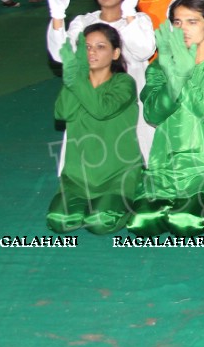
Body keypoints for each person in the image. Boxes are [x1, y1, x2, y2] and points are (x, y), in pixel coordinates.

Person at [128, 0, 204, 237]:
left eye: (192, 22)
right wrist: (173, 78)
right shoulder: (160, 66)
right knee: (141, 224)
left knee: (185, 224)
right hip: (163, 169)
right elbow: (152, 113)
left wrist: (183, 75)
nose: (183, 29)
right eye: (177, 23)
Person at [46, 0, 157, 161]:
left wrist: (129, 10)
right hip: (92, 95)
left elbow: (143, 51)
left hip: (131, 96)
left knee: (136, 151)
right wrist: (57, 16)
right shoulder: (84, 22)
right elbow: (61, 55)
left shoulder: (138, 20)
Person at [46, 24, 141, 235]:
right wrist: (76, 76)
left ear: (115, 53)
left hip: (117, 175)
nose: (92, 52)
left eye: (100, 46)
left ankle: (133, 196)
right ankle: (78, 198)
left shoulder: (124, 83)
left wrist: (76, 81)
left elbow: (101, 110)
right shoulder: (76, 81)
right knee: (59, 221)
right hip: (78, 176)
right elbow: (62, 113)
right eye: (86, 47)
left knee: (100, 222)